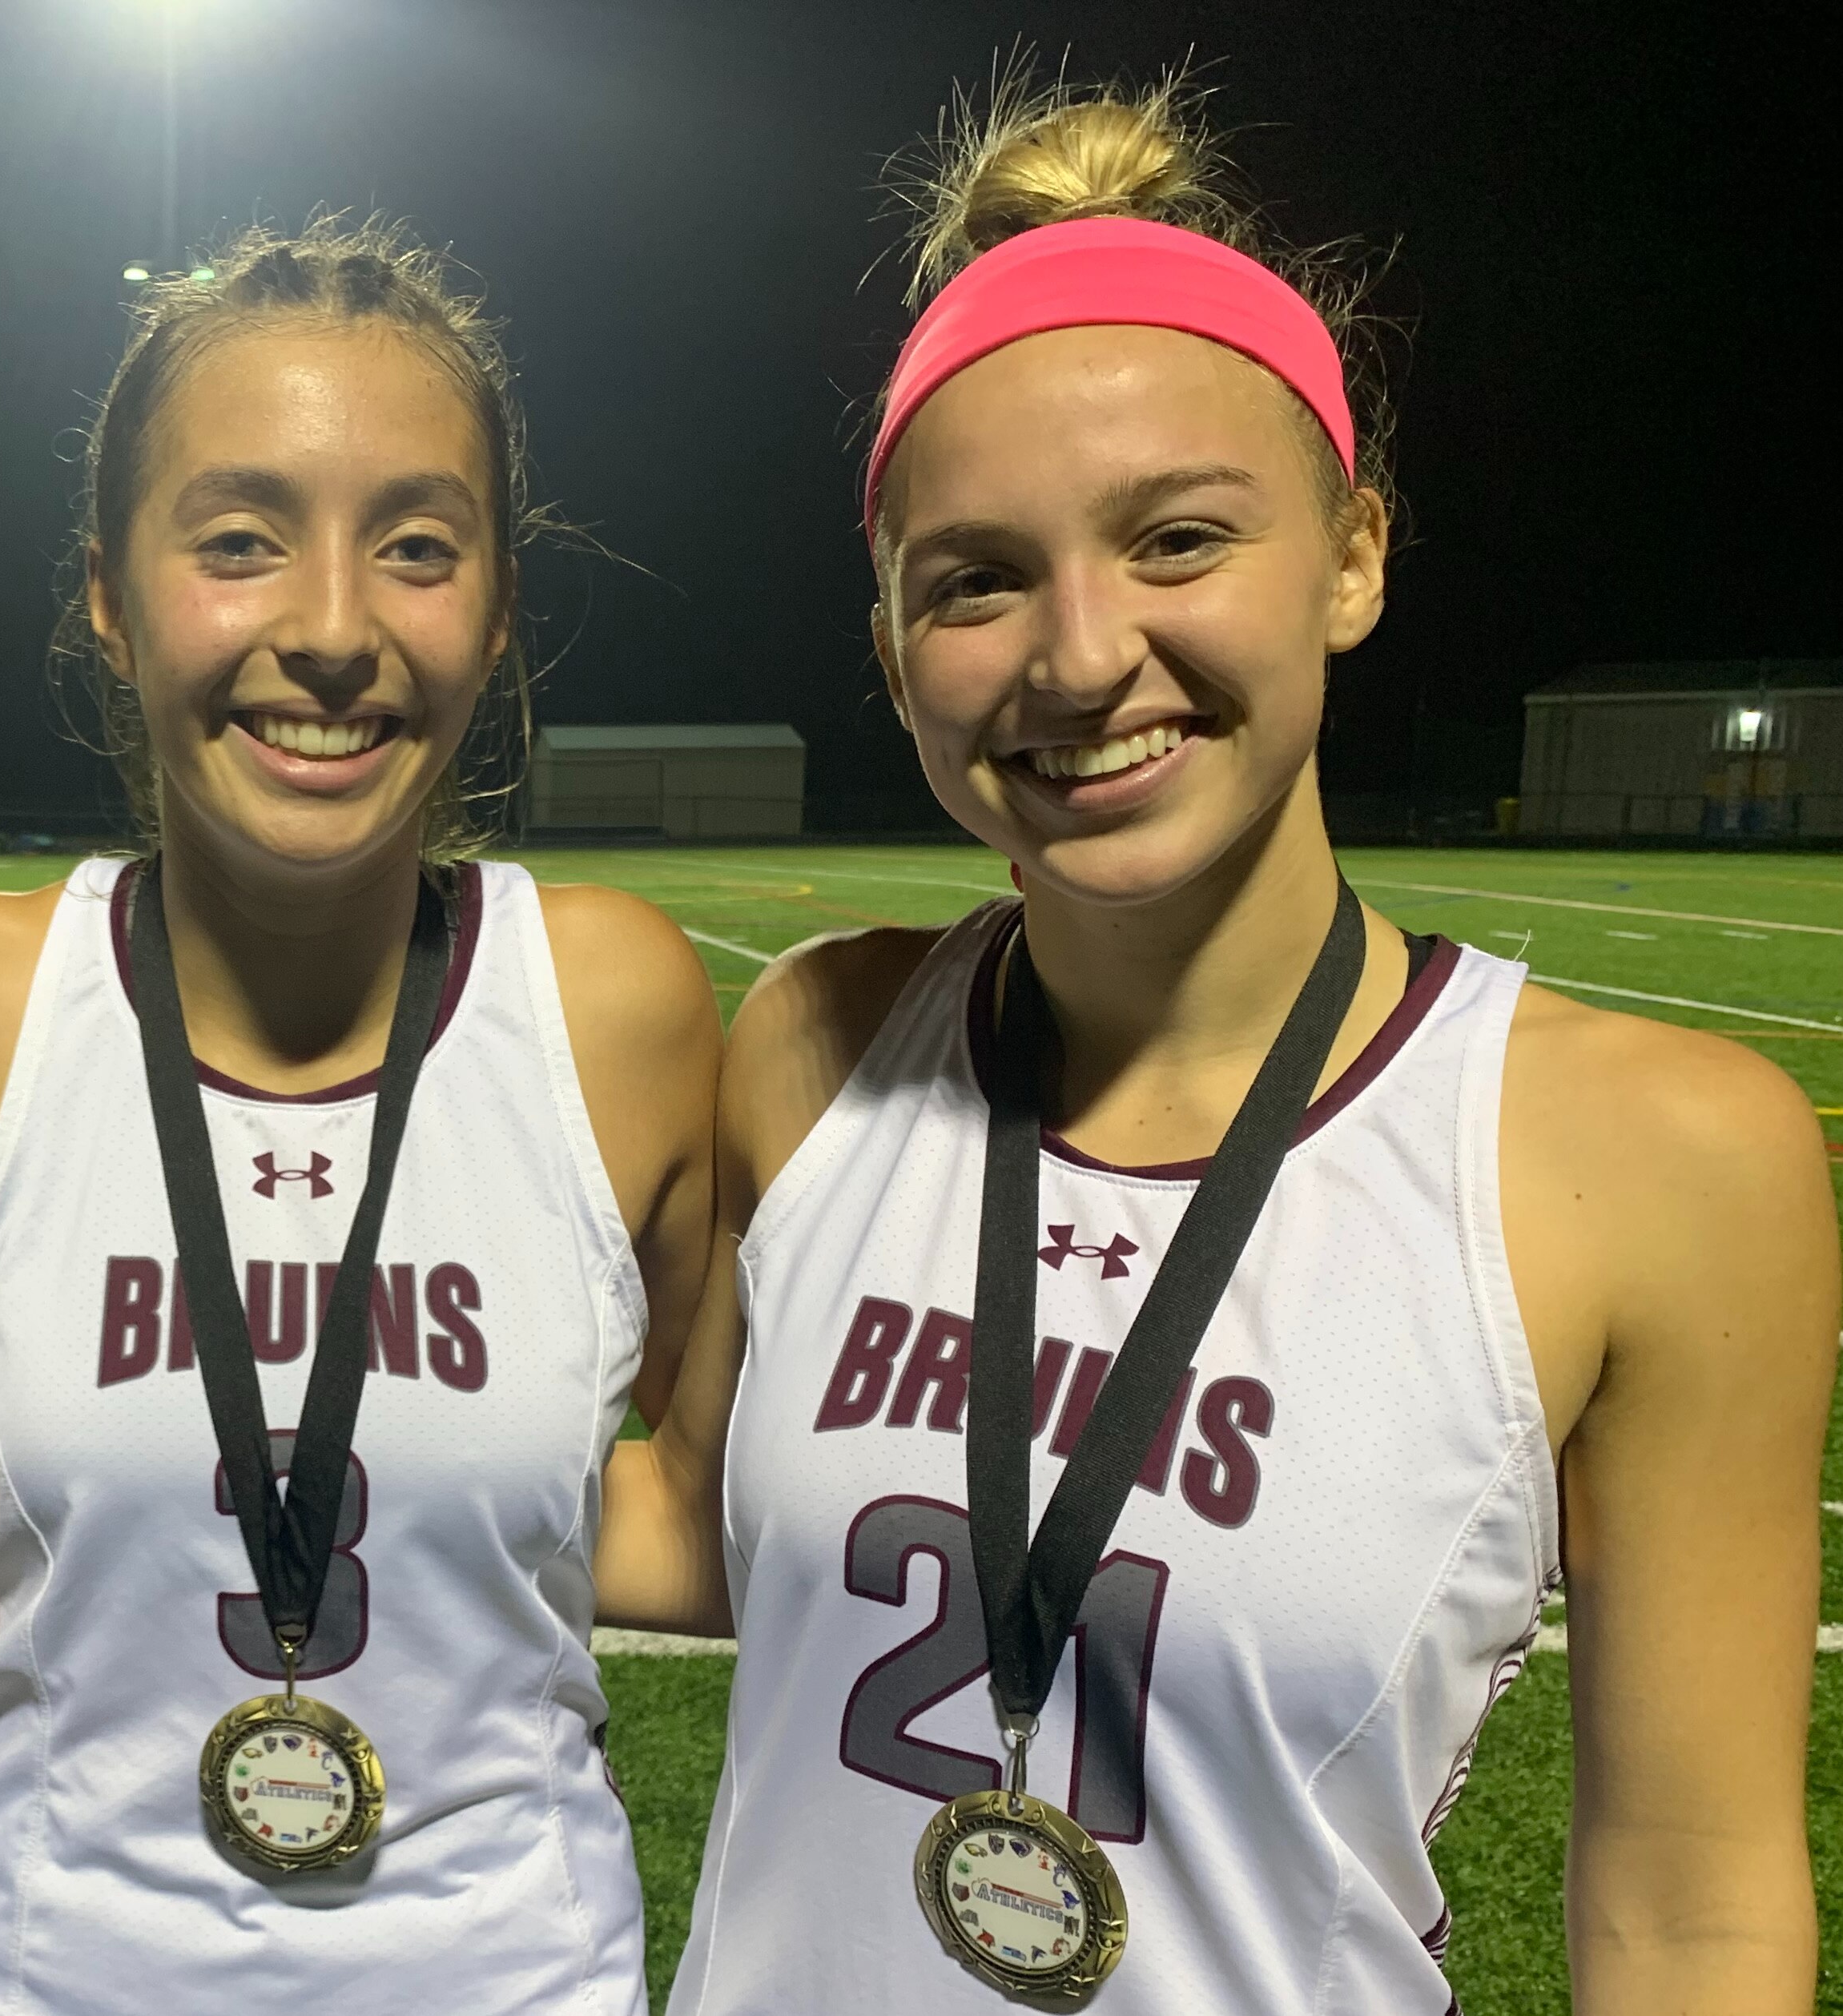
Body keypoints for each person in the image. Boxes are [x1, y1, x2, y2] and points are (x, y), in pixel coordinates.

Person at [602, 77, 1836, 2014]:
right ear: (889, 638)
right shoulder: (819, 1040)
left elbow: (1692, 1905)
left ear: (1351, 552)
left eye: (1176, 539)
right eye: (977, 577)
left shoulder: (1656, 1160)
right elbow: (677, 1517)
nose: (1079, 655)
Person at [0, 220, 722, 2012]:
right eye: (240, 541)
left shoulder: (614, 1005)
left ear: (494, 607)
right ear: (110, 589)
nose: (330, 629)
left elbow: (724, 1513)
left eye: (415, 547)